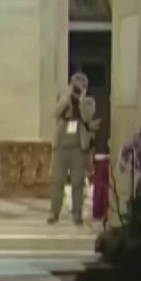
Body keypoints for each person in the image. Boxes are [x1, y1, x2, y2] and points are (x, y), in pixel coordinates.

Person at [48, 72, 98, 224]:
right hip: (61, 148)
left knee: (77, 182)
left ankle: (77, 213)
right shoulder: (64, 99)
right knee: (57, 181)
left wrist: (81, 100)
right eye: (74, 86)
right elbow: (55, 113)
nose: (76, 89)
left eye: (79, 87)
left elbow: (87, 118)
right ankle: (54, 212)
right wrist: (68, 97)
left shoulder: (89, 102)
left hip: (78, 148)